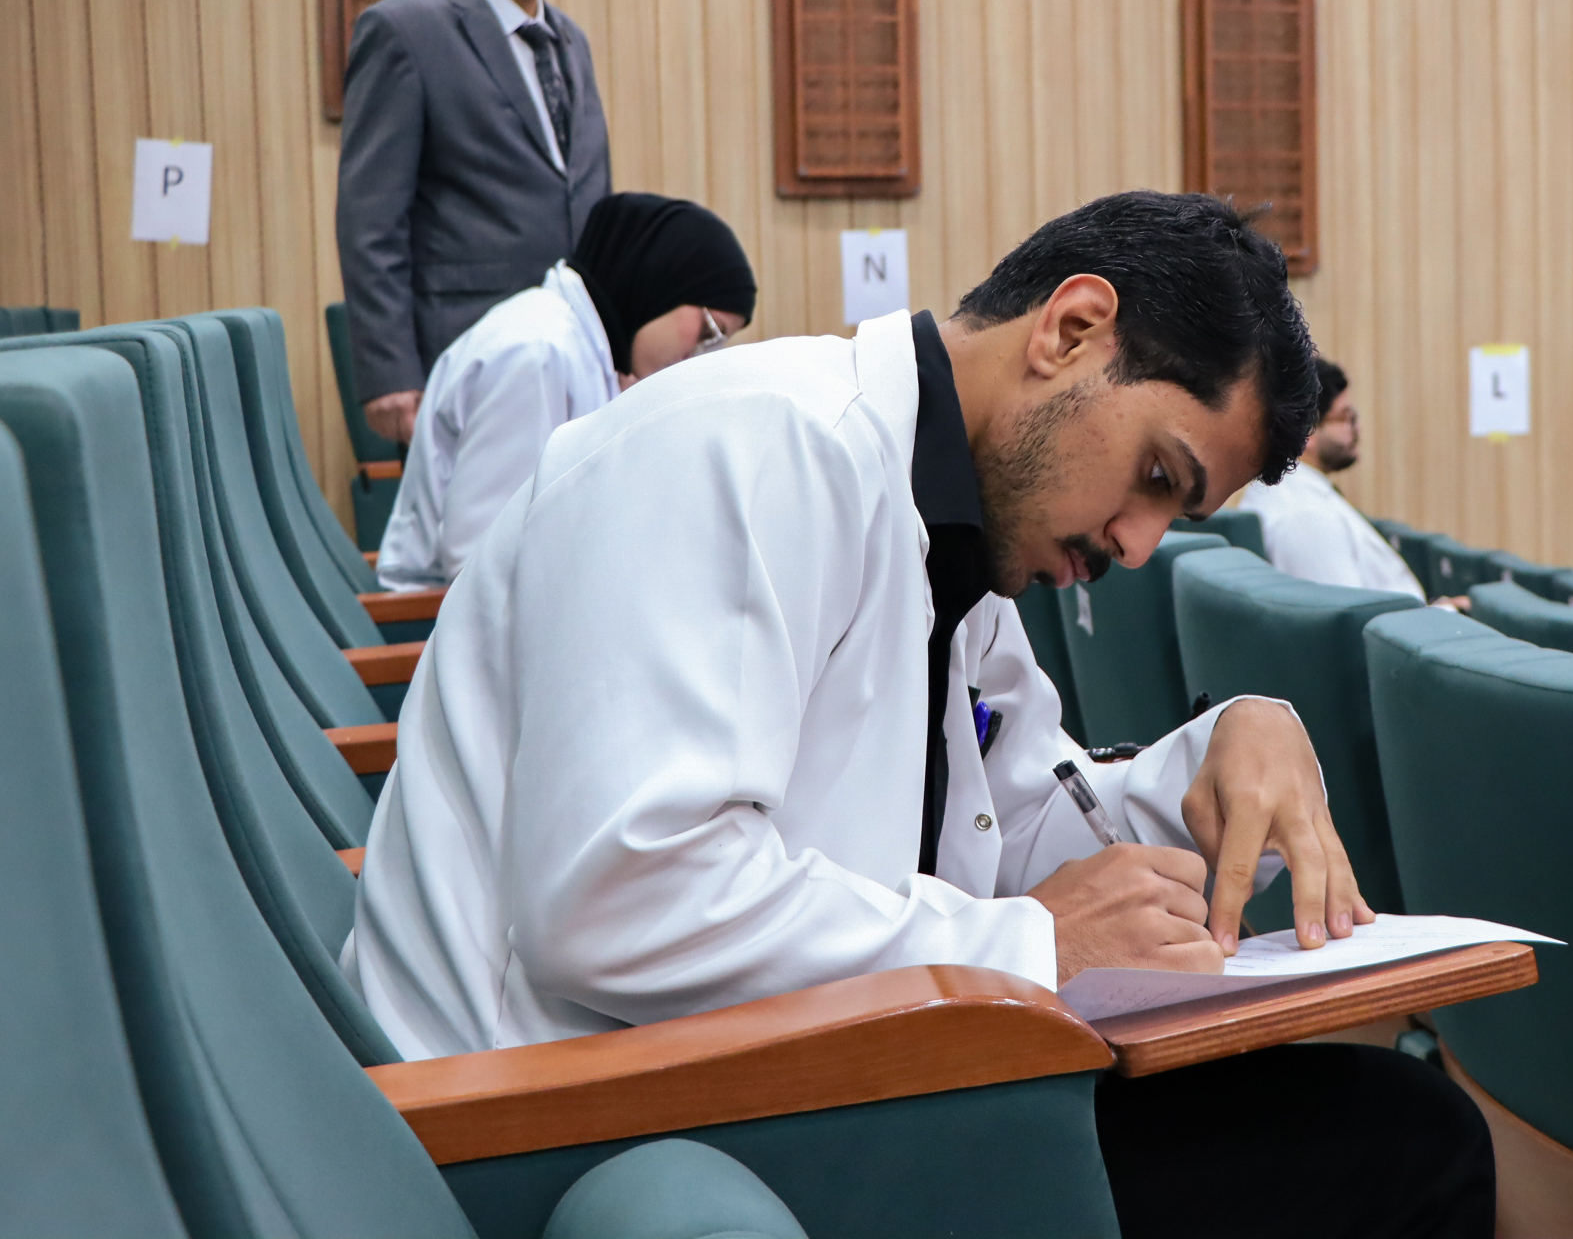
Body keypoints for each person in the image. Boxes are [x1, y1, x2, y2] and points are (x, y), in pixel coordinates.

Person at [345, 192, 1495, 1238]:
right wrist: (1033, 945)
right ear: (1071, 330)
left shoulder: (949, 533)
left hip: (756, 1081)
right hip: (574, 1126)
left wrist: (1220, 751)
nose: (1138, 545)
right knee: (1403, 1145)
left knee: (1383, 1118)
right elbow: (622, 896)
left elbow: (1013, 827)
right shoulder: (749, 446)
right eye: (1157, 475)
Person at [337, 0, 612, 448]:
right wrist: (390, 372)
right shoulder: (407, 29)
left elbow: (587, 202)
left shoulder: (571, 42)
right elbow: (371, 219)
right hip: (466, 351)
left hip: (575, 357)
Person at [375, 194, 755, 591]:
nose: (701, 355)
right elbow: (481, 563)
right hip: (433, 616)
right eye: (709, 331)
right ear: (662, 281)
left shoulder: (585, 350)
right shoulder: (537, 353)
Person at [1238, 357, 1441, 604]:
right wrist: (1449, 614)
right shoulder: (1305, 516)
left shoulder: (1294, 494)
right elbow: (1348, 617)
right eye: (1346, 418)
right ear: (1306, 430)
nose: (1357, 429)